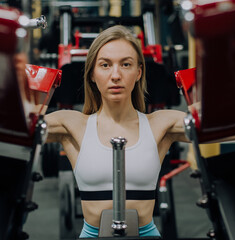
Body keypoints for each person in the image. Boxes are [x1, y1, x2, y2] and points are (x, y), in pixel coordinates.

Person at [44, 25, 190, 238]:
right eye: (105, 65)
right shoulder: (72, 125)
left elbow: (226, 128)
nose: (116, 75)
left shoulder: (161, 124)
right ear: (92, 74)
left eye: (126, 64)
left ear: (138, 72)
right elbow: (16, 128)